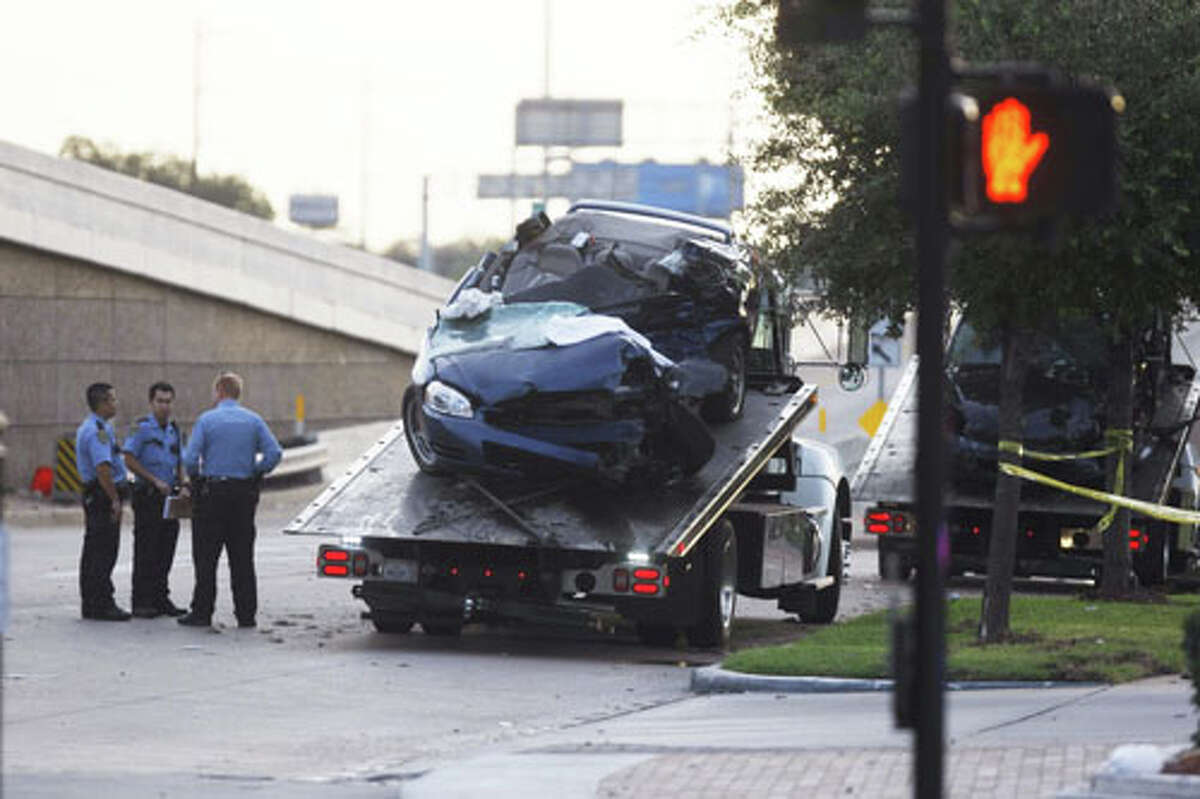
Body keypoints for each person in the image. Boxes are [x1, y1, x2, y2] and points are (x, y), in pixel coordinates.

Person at [178, 372, 282, 628]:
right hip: (243, 495)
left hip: (213, 494)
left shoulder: (207, 420)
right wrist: (257, 472)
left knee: (206, 557)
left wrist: (196, 478)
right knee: (242, 558)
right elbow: (274, 453)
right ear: (238, 393)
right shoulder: (254, 420)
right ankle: (246, 615)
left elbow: (190, 459)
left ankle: (202, 612)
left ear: (219, 391)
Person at [122, 381, 189, 618]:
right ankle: (142, 601)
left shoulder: (174, 430)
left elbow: (180, 461)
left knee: (166, 548)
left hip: (169, 496)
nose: (165, 406)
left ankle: (161, 598)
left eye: (169, 401)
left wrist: (184, 484)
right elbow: (128, 458)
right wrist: (153, 480)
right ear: (151, 403)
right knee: (146, 549)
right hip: (148, 495)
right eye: (160, 401)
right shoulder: (139, 427)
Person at [76, 383, 132, 621]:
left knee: (94, 549)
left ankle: (92, 602)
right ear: (102, 403)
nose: (115, 404)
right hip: (101, 495)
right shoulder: (97, 431)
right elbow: (103, 469)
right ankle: (101, 603)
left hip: (96, 494)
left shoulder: (96, 427)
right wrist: (114, 499)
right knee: (103, 550)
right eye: (112, 400)